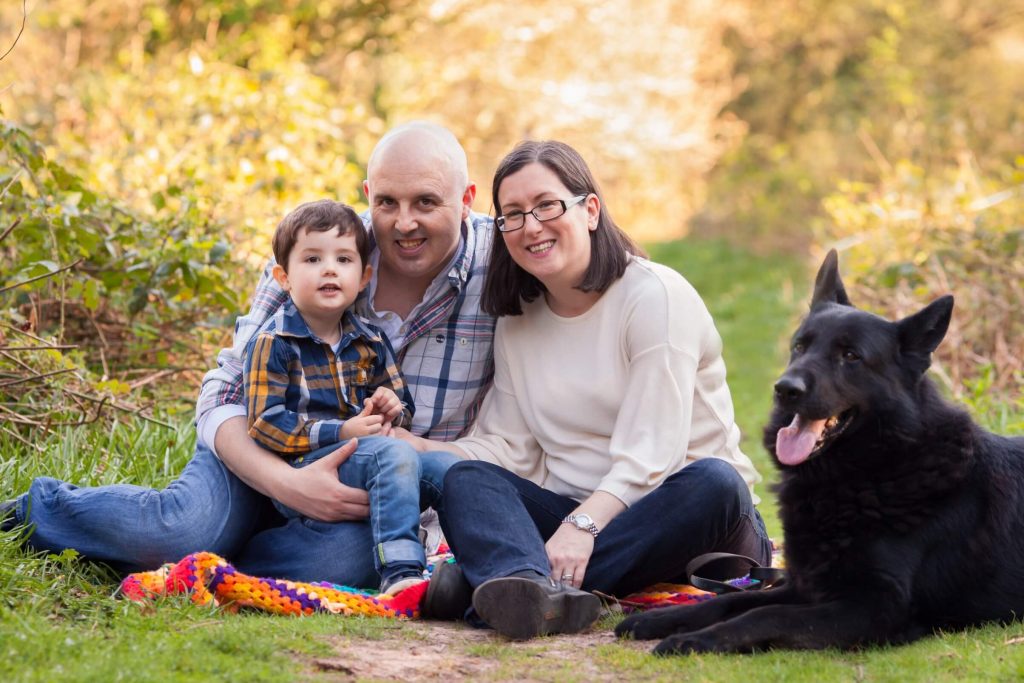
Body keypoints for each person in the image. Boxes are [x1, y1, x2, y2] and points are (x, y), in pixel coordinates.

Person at [1, 122, 496, 588]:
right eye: (388, 202)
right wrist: (286, 483)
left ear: (466, 199)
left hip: (358, 480)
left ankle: (219, 561)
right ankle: (38, 511)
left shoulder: (503, 263)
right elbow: (226, 390)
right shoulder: (321, 248)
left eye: (427, 202)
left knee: (347, 560)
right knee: (179, 531)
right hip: (260, 448)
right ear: (369, 194)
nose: (404, 222)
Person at [400, 140, 768, 639]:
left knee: (715, 481)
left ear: (589, 209)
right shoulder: (519, 322)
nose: (531, 226)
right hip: (578, 517)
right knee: (468, 479)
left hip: (688, 515)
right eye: (513, 214)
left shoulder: (654, 297)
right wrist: (418, 449)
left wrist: (582, 527)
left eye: (547, 205)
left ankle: (492, 587)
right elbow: (508, 446)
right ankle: (530, 591)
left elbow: (653, 453)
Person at [242, 198, 456, 595]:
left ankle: (464, 557)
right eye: (311, 260)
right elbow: (263, 423)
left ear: (363, 277)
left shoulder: (369, 341)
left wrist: (392, 408)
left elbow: (400, 402)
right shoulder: (273, 343)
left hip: (366, 461)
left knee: (446, 466)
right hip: (303, 473)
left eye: (343, 260)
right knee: (392, 454)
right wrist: (341, 431)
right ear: (283, 276)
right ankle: (403, 573)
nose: (329, 269)